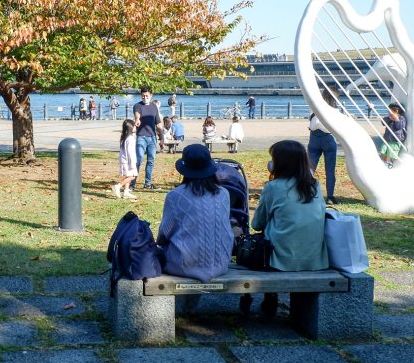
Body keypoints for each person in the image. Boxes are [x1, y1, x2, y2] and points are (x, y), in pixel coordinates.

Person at [244, 140, 329, 317]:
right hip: (315, 259)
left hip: (280, 260)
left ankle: (271, 294)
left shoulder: (273, 187)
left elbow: (257, 224)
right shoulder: (315, 186)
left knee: (263, 237)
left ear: (280, 163)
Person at [157, 144, 232, 289]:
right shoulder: (224, 193)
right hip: (220, 263)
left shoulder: (175, 195)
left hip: (183, 265)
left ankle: (186, 307)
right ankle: (189, 306)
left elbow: (163, 235)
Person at [308, 89, 339, 204]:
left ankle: (305, 192)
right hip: (329, 138)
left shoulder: (314, 108)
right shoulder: (335, 110)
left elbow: (310, 121)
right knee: (330, 169)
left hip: (314, 137)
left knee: (310, 167)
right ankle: (330, 196)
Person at [132, 86, 160, 190]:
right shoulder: (137, 106)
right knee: (138, 160)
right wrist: (137, 120)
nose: (145, 97)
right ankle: (132, 184)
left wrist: (161, 138)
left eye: (147, 95)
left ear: (151, 95)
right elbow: (137, 115)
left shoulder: (154, 107)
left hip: (152, 138)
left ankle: (147, 184)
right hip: (141, 137)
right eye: (143, 95)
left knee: (151, 161)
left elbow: (158, 124)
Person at [112, 119, 138, 200]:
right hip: (128, 161)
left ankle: (126, 192)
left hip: (124, 160)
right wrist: (132, 163)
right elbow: (130, 153)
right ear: (131, 127)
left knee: (128, 175)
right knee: (132, 176)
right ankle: (118, 186)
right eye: (134, 125)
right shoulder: (130, 139)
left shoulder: (125, 137)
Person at [380, 103, 407, 167]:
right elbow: (383, 122)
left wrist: (396, 119)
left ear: (396, 111)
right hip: (387, 139)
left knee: (390, 153)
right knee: (382, 151)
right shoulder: (389, 118)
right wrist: (389, 119)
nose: (389, 112)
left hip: (395, 140)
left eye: (390, 111)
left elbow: (400, 126)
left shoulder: (401, 118)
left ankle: (388, 162)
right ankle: (386, 161)